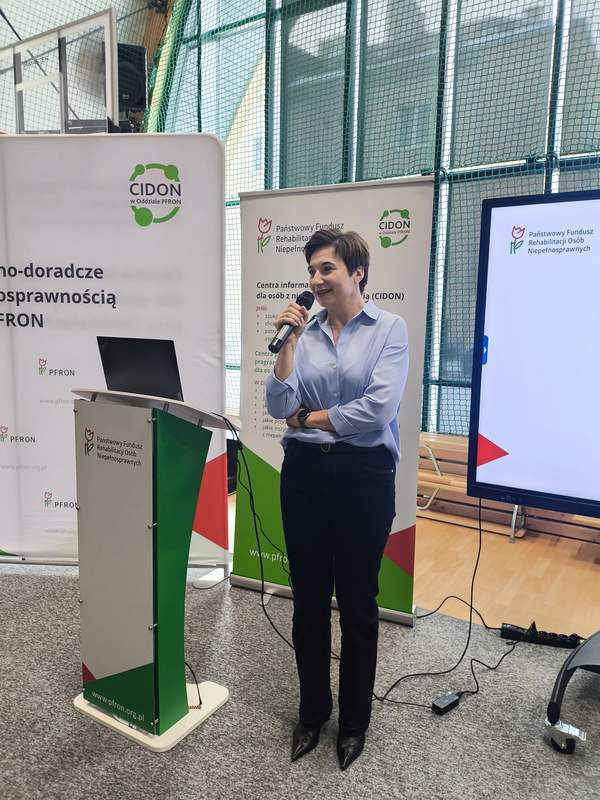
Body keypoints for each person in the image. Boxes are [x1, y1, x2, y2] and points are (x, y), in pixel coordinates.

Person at [265, 229, 409, 770]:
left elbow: (377, 410)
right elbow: (278, 405)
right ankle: (312, 714)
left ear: (357, 273)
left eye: (326, 268)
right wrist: (288, 347)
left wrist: (310, 418)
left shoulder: (389, 329)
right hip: (303, 476)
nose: (316, 279)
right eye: (311, 270)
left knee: (357, 603)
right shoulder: (303, 333)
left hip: (363, 476)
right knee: (307, 601)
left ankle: (354, 723)